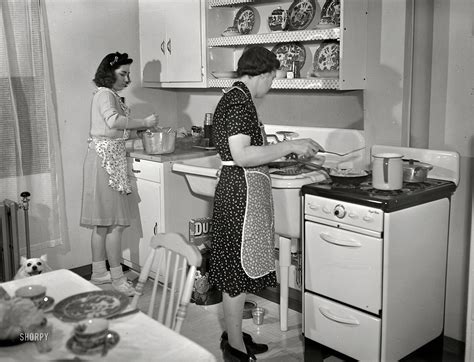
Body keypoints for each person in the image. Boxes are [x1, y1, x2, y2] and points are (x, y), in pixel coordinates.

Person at [209, 46, 323, 361]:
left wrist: (281, 153)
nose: (271, 86)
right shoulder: (239, 103)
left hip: (242, 192)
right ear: (261, 73)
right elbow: (242, 155)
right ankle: (233, 347)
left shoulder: (238, 98)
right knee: (235, 272)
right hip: (240, 196)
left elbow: (247, 151)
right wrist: (290, 144)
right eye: (272, 78)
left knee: (238, 269)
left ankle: (234, 336)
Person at [80, 52, 158, 296]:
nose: (127, 79)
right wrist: (144, 120)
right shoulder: (105, 94)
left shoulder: (109, 95)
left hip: (103, 158)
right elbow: (113, 122)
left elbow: (113, 130)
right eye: (123, 73)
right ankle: (116, 278)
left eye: (128, 74)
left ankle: (99, 273)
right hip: (106, 161)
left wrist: (138, 131)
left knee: (103, 224)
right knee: (114, 224)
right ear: (109, 73)